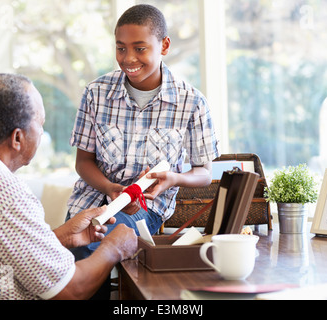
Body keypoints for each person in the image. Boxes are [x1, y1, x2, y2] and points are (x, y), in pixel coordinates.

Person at [0, 74, 137, 300]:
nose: (41, 132)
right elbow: (72, 290)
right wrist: (114, 247)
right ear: (17, 138)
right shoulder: (6, 194)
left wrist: (61, 236)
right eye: (40, 123)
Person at [66, 4, 219, 296]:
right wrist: (110, 187)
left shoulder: (192, 102)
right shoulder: (96, 93)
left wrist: (174, 179)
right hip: (89, 201)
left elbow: (203, 172)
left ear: (164, 45)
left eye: (139, 48)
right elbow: (83, 162)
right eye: (121, 48)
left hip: (146, 208)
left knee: (91, 247)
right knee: (73, 246)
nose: (129, 59)